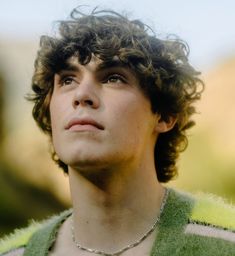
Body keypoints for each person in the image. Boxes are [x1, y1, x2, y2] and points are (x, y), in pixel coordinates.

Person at [0, 7, 235, 256]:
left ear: (164, 115)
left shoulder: (224, 245)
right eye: (68, 80)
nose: (81, 95)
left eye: (113, 78)